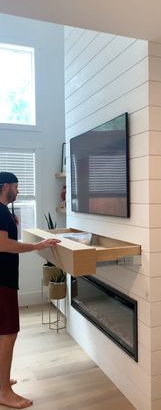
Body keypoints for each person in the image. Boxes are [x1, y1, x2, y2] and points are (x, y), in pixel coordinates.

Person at [0, 172, 61, 408]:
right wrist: (38, 245)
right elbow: (3, 244)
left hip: (3, 280)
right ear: (5, 186)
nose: (18, 191)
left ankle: (2, 381)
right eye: (15, 186)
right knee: (8, 333)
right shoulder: (1, 211)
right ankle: (4, 391)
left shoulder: (4, 212)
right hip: (2, 281)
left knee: (3, 332)